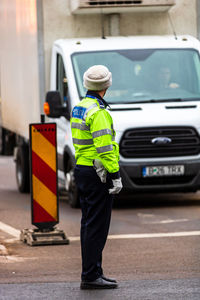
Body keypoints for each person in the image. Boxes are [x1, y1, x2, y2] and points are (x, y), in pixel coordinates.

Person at [70, 65, 122, 290]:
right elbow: (104, 147)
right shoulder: (98, 112)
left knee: (88, 225)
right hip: (98, 172)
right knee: (97, 227)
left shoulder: (80, 107)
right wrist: (115, 174)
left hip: (83, 169)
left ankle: (93, 272)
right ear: (106, 85)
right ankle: (91, 275)